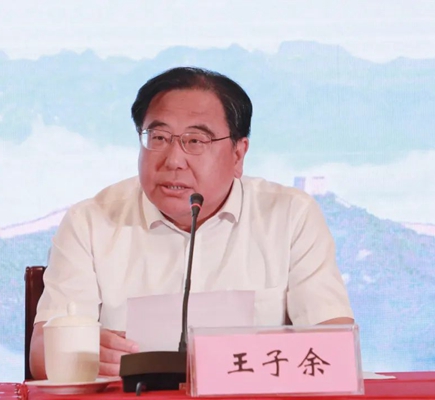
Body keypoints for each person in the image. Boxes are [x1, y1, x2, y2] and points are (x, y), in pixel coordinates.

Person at [29, 66, 354, 379]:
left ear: (238, 154)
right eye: (158, 137)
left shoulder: (290, 215)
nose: (173, 160)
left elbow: (334, 344)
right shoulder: (90, 222)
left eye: (196, 141)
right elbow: (42, 354)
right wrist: (79, 354)